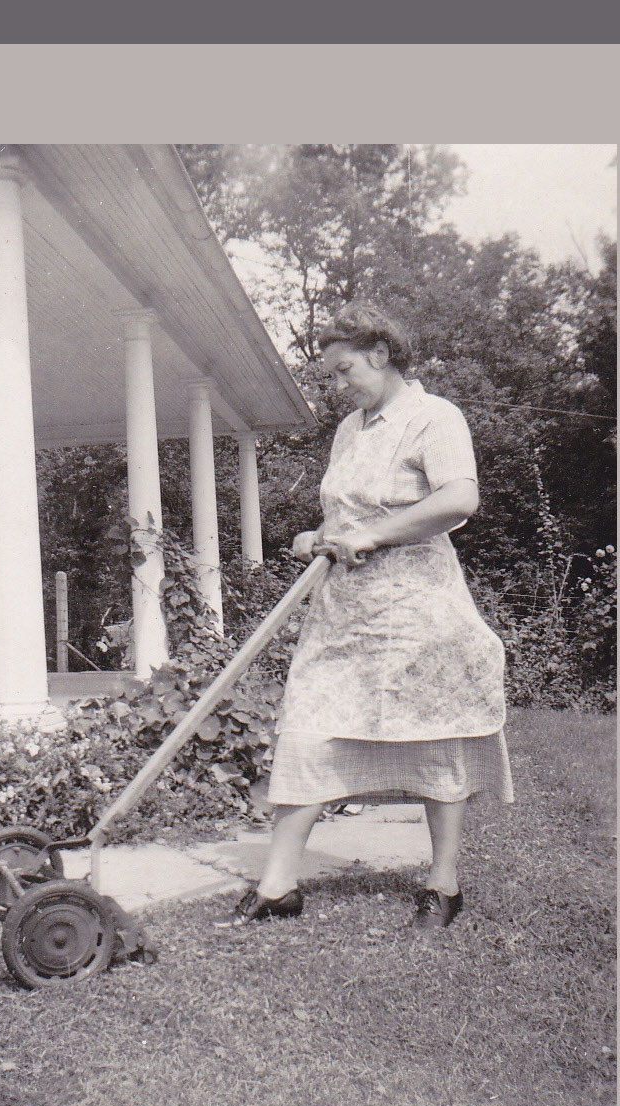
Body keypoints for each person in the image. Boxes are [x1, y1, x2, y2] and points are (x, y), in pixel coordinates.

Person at [219, 301, 514, 933]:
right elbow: (344, 515)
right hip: (344, 612)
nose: (336, 385)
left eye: (343, 369)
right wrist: (318, 535)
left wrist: (375, 534)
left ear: (380, 355)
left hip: (417, 608)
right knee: (308, 728)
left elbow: (460, 498)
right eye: (331, 374)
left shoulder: (435, 417)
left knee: (433, 736)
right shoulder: (349, 430)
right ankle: (278, 885)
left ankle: (443, 884)